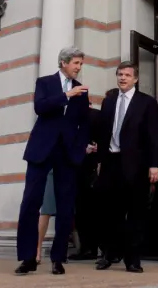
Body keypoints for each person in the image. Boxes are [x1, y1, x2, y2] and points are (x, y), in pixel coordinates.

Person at [14, 47, 90, 276]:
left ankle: (58, 259)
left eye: (80, 64)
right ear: (64, 62)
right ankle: (28, 258)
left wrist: (80, 149)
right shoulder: (45, 83)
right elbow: (41, 107)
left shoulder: (82, 91)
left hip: (67, 155)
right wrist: (66, 96)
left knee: (66, 207)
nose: (78, 67)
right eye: (76, 63)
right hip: (41, 151)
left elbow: (84, 123)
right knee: (30, 203)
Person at [93, 62, 158, 274]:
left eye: (127, 75)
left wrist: (155, 164)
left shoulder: (147, 103)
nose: (123, 78)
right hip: (111, 163)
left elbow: (154, 137)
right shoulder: (109, 101)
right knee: (108, 212)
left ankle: (132, 260)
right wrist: (99, 160)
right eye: (120, 74)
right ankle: (108, 254)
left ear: (135, 79)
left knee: (135, 213)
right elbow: (104, 133)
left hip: (135, 165)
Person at [69, 104, 101, 261]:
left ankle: (92, 248)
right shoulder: (70, 117)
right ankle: (87, 248)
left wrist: (96, 149)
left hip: (92, 169)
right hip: (77, 171)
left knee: (90, 211)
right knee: (81, 211)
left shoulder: (95, 116)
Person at [35, 172, 55, 264]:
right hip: (50, 173)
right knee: (46, 211)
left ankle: (62, 251)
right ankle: (38, 250)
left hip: (66, 172)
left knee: (67, 214)